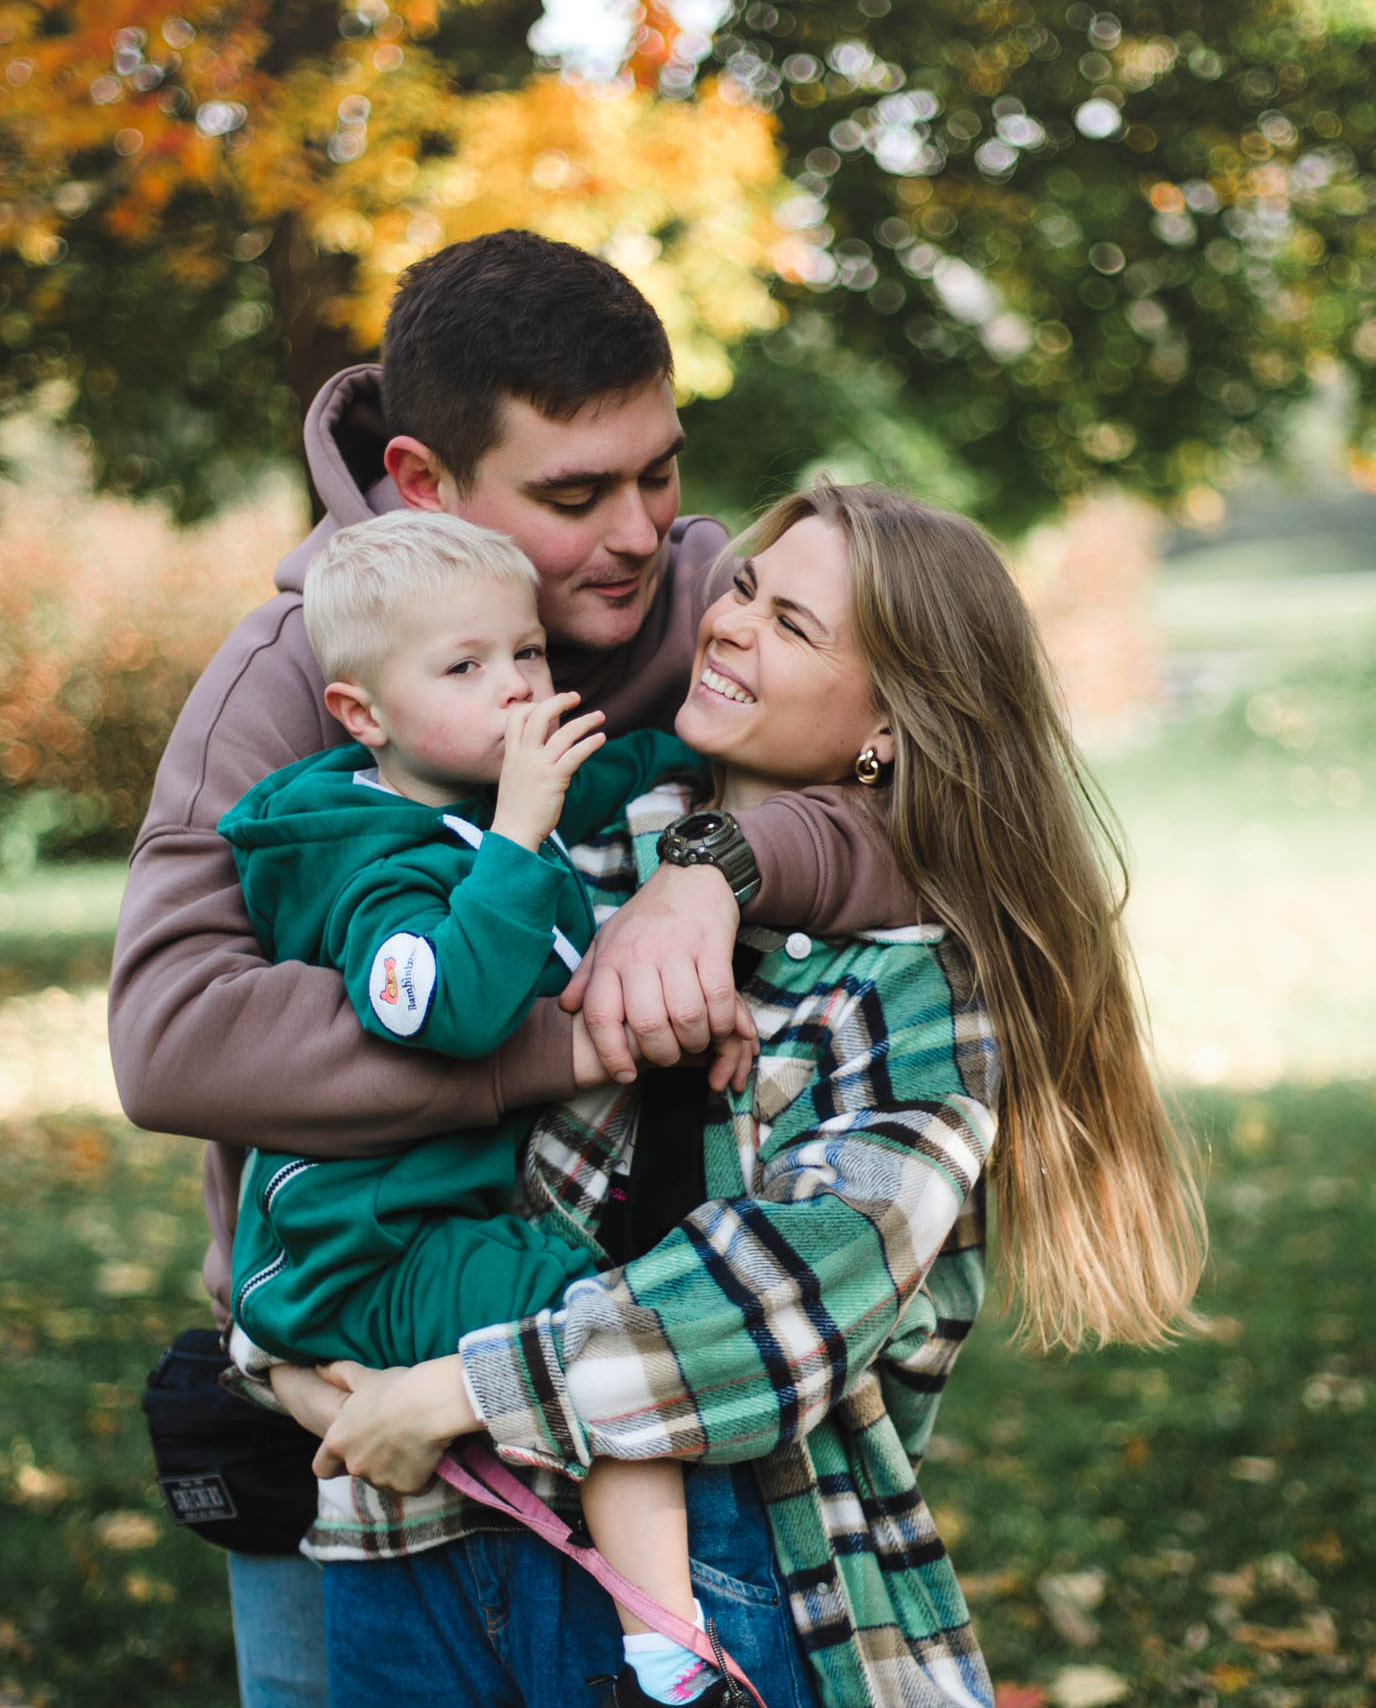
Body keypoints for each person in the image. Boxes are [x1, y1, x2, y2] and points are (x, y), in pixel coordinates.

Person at [108, 233, 913, 1708]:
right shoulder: (293, 683)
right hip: (357, 1374)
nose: (643, 533)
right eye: (575, 495)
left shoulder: (707, 603)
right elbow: (174, 1042)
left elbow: (925, 796)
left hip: (661, 1381)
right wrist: (563, 1038)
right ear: (424, 480)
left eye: (659, 472)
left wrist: (711, 870)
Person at [272, 484, 1209, 1708]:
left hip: (731, 1559)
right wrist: (279, 1351)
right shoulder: (571, 847)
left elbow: (783, 1303)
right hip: (419, 1533)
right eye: (748, 588)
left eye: (793, 625)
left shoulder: (917, 993)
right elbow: (352, 1098)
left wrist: (456, 1389)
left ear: (892, 722)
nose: (727, 623)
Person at [223, 507, 736, 1707]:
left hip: (419, 1216)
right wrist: (515, 835)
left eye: (528, 652)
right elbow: (443, 1009)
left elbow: (613, 771)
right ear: (361, 713)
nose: (515, 686)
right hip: (364, 1244)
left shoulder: (471, 790)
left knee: (591, 1329)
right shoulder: (366, 863)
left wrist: (690, 764)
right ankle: (670, 1650)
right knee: (594, 1334)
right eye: (464, 667)